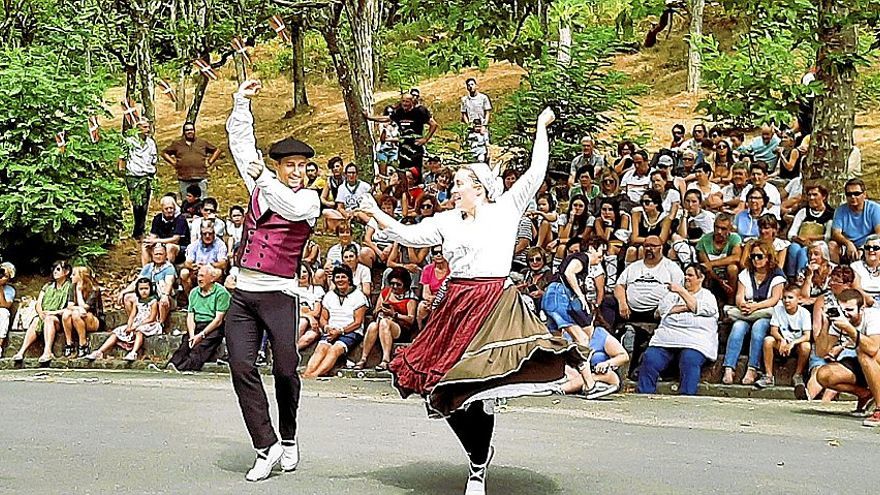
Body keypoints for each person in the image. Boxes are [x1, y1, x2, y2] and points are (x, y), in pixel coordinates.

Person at [357, 108, 586, 495]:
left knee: (479, 389)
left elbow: (536, 171)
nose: (453, 188)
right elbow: (408, 234)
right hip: (457, 303)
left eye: (461, 183)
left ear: (478, 187)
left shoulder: (506, 209)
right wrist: (377, 212)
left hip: (494, 302)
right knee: (443, 389)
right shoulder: (446, 221)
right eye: (454, 183)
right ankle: (478, 452)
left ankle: (477, 468)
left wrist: (540, 128)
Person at [224, 79, 322, 481]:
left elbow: (287, 204)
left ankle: (289, 436)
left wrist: (265, 178)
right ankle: (264, 446)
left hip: (280, 294)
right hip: (244, 294)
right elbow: (241, 147)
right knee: (241, 367)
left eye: (303, 167)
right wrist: (240, 103)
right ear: (280, 165)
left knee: (285, 370)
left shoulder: (307, 200)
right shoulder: (260, 187)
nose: (298, 173)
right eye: (291, 166)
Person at [542, 240, 612, 397]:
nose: (600, 258)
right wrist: (581, 297)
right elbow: (569, 272)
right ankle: (590, 384)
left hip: (552, 296)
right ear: (592, 248)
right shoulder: (583, 258)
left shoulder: (583, 261)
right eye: (601, 253)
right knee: (582, 339)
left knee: (557, 341)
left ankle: (552, 379)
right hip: (559, 297)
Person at [636, 264, 719, 396]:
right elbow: (662, 310)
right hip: (667, 338)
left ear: (701, 278)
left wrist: (682, 294)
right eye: (685, 274)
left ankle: (686, 397)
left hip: (695, 340)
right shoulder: (671, 295)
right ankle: (644, 394)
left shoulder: (708, 296)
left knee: (690, 359)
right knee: (650, 358)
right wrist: (687, 307)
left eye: (690, 275)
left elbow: (701, 308)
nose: (686, 277)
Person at [611, 235, 685, 373]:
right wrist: (622, 303)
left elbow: (677, 291)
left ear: (661, 248)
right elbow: (619, 286)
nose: (649, 249)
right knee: (607, 304)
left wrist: (663, 307)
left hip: (656, 312)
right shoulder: (634, 267)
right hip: (629, 310)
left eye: (653, 246)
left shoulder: (671, 268)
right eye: (646, 246)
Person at [721, 241, 785, 385]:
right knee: (738, 327)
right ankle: (729, 367)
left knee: (759, 327)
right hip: (748, 310)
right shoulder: (746, 273)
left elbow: (775, 299)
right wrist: (742, 304)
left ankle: (752, 368)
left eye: (760, 256)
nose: (756, 259)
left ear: (768, 257)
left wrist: (755, 307)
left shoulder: (777, 274)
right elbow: (739, 296)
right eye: (753, 256)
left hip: (765, 310)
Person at [814, 288, 880, 426]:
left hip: (874, 358)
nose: (845, 314)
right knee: (824, 374)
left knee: (865, 354)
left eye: (850, 310)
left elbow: (873, 348)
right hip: (864, 363)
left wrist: (850, 329)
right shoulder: (839, 320)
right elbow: (821, 352)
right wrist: (826, 325)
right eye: (842, 309)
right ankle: (865, 394)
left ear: (861, 309)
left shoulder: (873, 316)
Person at [303, 264, 368, 378]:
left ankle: (314, 375)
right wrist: (327, 327)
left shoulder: (359, 296)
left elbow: (358, 322)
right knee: (321, 347)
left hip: (350, 332)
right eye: (337, 277)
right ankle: (307, 373)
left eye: (343, 277)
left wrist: (340, 331)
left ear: (349, 279)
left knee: (335, 349)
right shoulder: (329, 296)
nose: (340, 280)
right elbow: (323, 318)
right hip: (331, 329)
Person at [168, 266, 230, 371]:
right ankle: (171, 366)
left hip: (213, 327)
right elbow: (190, 316)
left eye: (202, 276)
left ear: (212, 278)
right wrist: (192, 335)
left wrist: (201, 335)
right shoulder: (194, 292)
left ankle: (183, 368)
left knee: (200, 349)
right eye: (198, 276)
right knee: (185, 345)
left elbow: (218, 320)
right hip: (197, 324)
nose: (199, 279)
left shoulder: (221, 293)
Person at [11, 261, 73, 365]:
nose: (55, 272)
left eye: (58, 269)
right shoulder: (47, 286)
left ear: (66, 272)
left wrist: (52, 313)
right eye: (54, 269)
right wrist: (41, 313)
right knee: (36, 320)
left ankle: (47, 351)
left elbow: (70, 308)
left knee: (49, 319)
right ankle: (21, 352)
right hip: (44, 315)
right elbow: (38, 303)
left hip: (59, 318)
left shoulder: (70, 287)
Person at [355, 267, 417, 371]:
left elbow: (411, 319)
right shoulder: (386, 293)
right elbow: (375, 312)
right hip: (382, 323)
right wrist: (381, 310)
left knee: (384, 323)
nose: (394, 287)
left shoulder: (410, 297)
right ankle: (363, 358)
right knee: (372, 325)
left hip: (401, 328)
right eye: (392, 283)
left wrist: (394, 315)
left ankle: (386, 359)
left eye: (398, 284)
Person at [87, 277, 162, 362]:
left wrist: (136, 326)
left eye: (146, 288)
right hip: (136, 323)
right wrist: (129, 326)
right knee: (117, 331)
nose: (144, 291)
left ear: (150, 289)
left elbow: (151, 318)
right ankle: (100, 351)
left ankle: (134, 352)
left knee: (139, 331)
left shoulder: (153, 302)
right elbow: (132, 315)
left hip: (150, 324)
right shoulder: (137, 301)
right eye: (141, 289)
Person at [756, 283, 812, 392]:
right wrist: (782, 339)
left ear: (798, 299)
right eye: (784, 298)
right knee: (768, 340)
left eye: (790, 298)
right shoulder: (778, 309)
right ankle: (768, 375)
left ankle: (797, 375)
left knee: (806, 346)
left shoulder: (804, 313)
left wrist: (793, 343)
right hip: (782, 343)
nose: (787, 301)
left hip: (796, 345)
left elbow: (807, 336)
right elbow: (773, 330)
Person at [365, 93, 438, 173]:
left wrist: (425, 139)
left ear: (411, 102)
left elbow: (433, 124)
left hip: (416, 148)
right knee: (401, 172)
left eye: (407, 102)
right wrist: (370, 117)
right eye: (403, 101)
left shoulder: (420, 111)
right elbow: (386, 118)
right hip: (402, 148)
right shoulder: (399, 112)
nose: (404, 104)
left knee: (414, 172)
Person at [118, 243, 177, 327]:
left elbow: (169, 282)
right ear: (152, 255)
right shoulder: (148, 267)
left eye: (161, 254)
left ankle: (160, 324)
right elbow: (137, 282)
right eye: (156, 254)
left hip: (166, 298)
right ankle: (134, 322)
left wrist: (165, 295)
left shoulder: (169, 267)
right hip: (149, 297)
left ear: (165, 255)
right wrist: (124, 292)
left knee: (162, 301)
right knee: (127, 298)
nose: (158, 256)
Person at [118, 118, 157, 239]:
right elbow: (121, 158)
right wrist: (122, 172)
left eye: (148, 127)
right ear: (138, 128)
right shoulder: (129, 142)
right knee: (137, 204)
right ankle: (137, 229)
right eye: (145, 127)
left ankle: (140, 230)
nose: (148, 130)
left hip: (147, 176)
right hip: (134, 177)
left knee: (145, 204)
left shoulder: (151, 142)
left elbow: (154, 160)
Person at [161, 121, 221, 198]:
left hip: (200, 177)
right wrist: (173, 163)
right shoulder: (177, 144)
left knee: (202, 201)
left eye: (191, 129)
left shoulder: (201, 142)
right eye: (187, 130)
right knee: (186, 202)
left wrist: (210, 162)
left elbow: (217, 150)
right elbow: (164, 153)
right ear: (184, 132)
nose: (190, 132)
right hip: (184, 178)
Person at [788, 184, 834, 276]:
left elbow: (828, 236)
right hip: (801, 241)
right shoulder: (803, 212)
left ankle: (802, 276)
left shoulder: (830, 214)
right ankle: (791, 277)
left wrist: (811, 238)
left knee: (804, 252)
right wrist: (800, 239)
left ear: (823, 196)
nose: (811, 198)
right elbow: (791, 234)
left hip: (818, 244)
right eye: (809, 195)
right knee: (794, 248)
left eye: (815, 195)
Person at [831, 178, 880, 263]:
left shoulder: (874, 208)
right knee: (832, 246)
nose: (852, 197)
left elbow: (879, 233)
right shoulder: (840, 210)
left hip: (869, 244)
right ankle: (837, 273)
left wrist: (863, 248)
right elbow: (835, 233)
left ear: (864, 194)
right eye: (849, 194)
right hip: (848, 246)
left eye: (856, 193)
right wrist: (848, 243)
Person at [60, 266, 104, 358]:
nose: (71, 277)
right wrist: (78, 309)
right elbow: (70, 305)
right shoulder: (72, 287)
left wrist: (79, 292)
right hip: (77, 316)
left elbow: (85, 308)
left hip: (93, 320)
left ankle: (82, 343)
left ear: (81, 276)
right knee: (66, 314)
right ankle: (69, 343)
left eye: (74, 274)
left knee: (76, 314)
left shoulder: (94, 290)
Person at [696, 213, 742, 300]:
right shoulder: (704, 241)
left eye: (723, 229)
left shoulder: (734, 238)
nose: (719, 231)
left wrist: (711, 263)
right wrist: (720, 282)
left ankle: (731, 301)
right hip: (712, 275)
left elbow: (736, 258)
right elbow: (706, 266)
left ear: (730, 229)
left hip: (728, 274)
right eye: (717, 227)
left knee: (733, 268)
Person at [180, 220, 228, 295]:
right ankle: (191, 299)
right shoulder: (194, 245)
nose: (207, 236)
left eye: (210, 233)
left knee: (218, 272)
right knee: (184, 273)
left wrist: (208, 266)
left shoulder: (220, 245)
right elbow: (187, 262)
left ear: (214, 234)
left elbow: (223, 263)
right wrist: (193, 266)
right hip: (197, 271)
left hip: (211, 270)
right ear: (200, 234)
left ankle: (211, 298)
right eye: (204, 234)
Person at [626, 189, 672, 264]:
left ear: (656, 203)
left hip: (657, 247)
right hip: (639, 245)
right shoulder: (637, 215)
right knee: (631, 250)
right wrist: (651, 241)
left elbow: (662, 240)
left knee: (642, 250)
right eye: (642, 202)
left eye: (647, 202)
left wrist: (646, 241)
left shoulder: (665, 218)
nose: (644, 205)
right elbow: (634, 238)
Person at [142, 195, 189, 264]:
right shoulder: (157, 218)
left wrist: (156, 240)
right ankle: (146, 271)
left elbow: (175, 239)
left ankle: (167, 270)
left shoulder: (180, 219)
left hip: (180, 247)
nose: (169, 211)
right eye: (166, 209)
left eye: (171, 208)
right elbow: (153, 235)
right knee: (145, 246)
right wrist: (149, 241)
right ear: (162, 209)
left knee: (169, 247)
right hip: (162, 244)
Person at [291, 263, 326, 351]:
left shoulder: (317, 289)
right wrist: (308, 316)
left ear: (309, 273)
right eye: (299, 272)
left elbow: (317, 312)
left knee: (310, 337)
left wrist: (305, 314)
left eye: (304, 272)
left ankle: (287, 352)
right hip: (295, 321)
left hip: (314, 323)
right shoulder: (291, 289)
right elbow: (291, 310)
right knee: (303, 321)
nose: (302, 275)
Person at [417, 246, 450, 329]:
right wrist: (431, 299)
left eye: (441, 252)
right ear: (432, 256)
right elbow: (425, 293)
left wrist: (439, 299)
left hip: (448, 298)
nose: (438, 255)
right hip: (432, 299)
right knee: (422, 306)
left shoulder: (452, 269)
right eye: (435, 253)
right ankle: (422, 332)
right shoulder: (427, 269)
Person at [852, 234, 880, 304]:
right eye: (868, 247)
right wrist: (867, 298)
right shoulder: (856, 266)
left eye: (875, 248)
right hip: (863, 300)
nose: (871, 250)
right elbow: (856, 288)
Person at [0, 262, 16, 357]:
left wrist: (0, 288)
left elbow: (5, 305)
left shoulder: (10, 290)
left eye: (4, 276)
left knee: (4, 313)